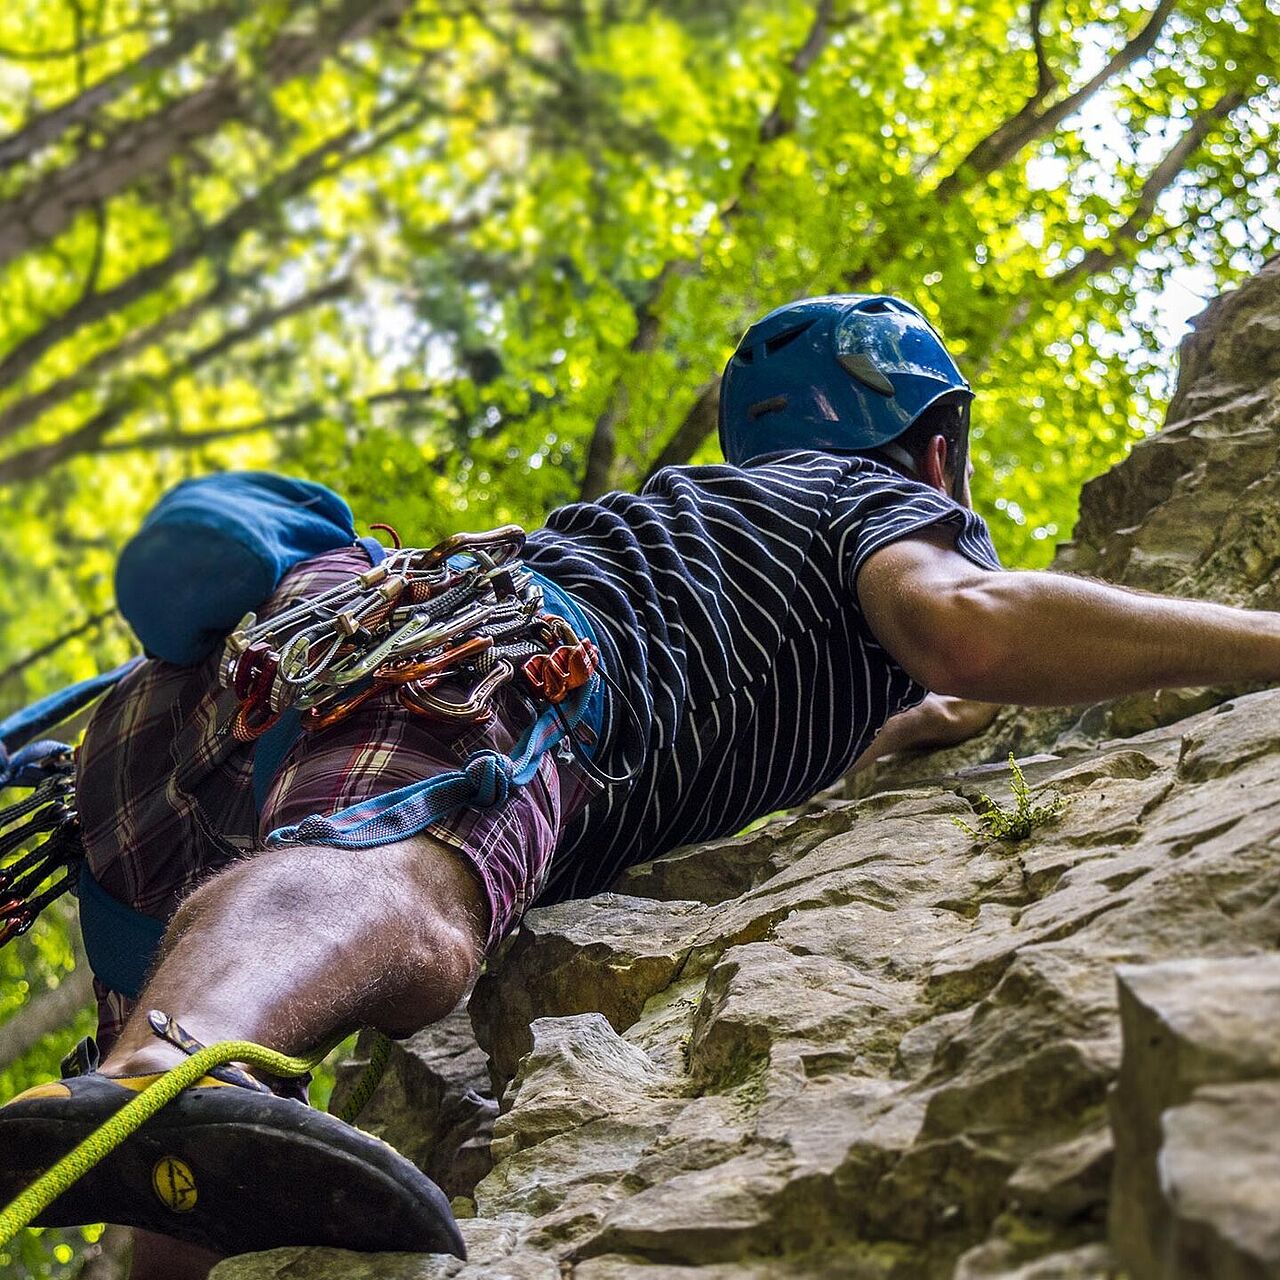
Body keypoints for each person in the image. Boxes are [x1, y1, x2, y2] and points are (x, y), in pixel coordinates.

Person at [5, 292, 1280, 1278]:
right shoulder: (863, 499)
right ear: (931, 451)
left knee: (184, 1159)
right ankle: (172, 1064)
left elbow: (926, 709)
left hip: (189, 730)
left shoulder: (716, 543)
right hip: (483, 661)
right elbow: (972, 630)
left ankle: (157, 1094)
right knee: (415, 896)